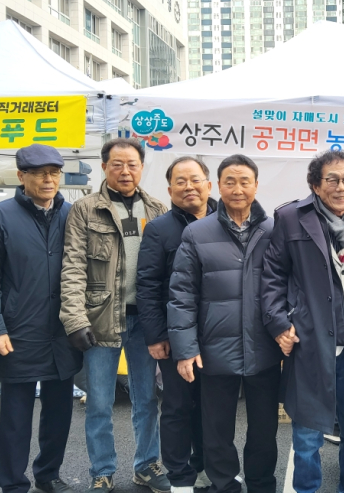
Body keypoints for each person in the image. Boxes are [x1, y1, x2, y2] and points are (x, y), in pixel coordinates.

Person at [261, 149, 344, 493]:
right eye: (332, 180)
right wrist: (279, 323)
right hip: (311, 341)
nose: (341, 187)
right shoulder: (291, 217)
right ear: (315, 186)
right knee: (307, 435)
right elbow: (273, 276)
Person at [60, 138, 170, 493]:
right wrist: (75, 320)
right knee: (100, 402)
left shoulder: (157, 208)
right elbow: (73, 266)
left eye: (132, 164)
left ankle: (146, 465)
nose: (125, 171)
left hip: (146, 320)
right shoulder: (85, 210)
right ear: (105, 166)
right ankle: (102, 471)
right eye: (117, 164)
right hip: (101, 318)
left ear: (141, 168)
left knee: (146, 398)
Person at [168, 154, 281, 493]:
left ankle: (261, 484)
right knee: (217, 430)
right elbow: (182, 294)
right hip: (214, 348)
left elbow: (289, 286)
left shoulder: (274, 230)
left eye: (245, 181)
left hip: (264, 348)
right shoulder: (197, 232)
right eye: (229, 182)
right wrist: (185, 350)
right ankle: (223, 485)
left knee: (264, 430)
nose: (237, 189)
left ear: (256, 186)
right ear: (218, 186)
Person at [0, 144, 82, 493]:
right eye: (39, 173)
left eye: (54, 173)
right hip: (17, 331)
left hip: (62, 331)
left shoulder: (73, 215)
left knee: (59, 412)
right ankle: (12, 484)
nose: (48, 180)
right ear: (21, 176)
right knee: (15, 416)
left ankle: (48, 474)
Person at [137, 157, 216, 493]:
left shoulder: (225, 221)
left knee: (212, 406)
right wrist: (156, 335)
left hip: (218, 333)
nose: (189, 187)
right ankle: (179, 475)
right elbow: (147, 285)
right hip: (175, 336)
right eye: (180, 182)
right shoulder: (159, 229)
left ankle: (207, 466)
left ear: (208, 185)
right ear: (170, 190)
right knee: (178, 405)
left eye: (195, 180)